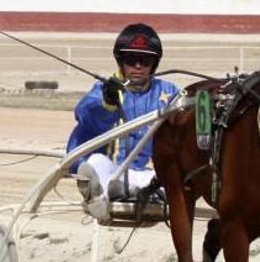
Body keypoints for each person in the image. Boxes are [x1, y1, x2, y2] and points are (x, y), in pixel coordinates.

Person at [66, 23, 180, 222]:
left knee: (172, 175)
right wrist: (107, 103)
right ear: (121, 61)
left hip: (150, 174)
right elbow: (83, 114)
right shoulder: (106, 89)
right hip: (112, 169)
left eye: (145, 60)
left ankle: (124, 190)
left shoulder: (169, 93)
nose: (138, 66)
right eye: (131, 60)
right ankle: (100, 197)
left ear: (154, 63)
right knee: (95, 163)